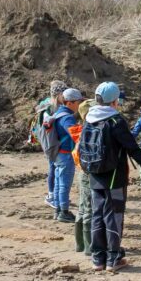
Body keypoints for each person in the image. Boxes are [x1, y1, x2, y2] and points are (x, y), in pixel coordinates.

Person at [84, 82, 141, 272]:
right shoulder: (116, 121)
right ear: (114, 101)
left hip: (93, 174)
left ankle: (97, 259)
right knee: (113, 216)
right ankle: (113, 259)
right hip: (114, 177)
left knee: (97, 214)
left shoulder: (89, 118)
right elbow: (133, 148)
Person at [52, 88, 84, 223]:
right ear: (69, 103)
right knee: (64, 184)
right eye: (78, 102)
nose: (79, 105)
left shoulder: (58, 113)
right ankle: (64, 212)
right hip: (65, 155)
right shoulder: (67, 117)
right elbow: (77, 136)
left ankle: (58, 210)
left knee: (59, 183)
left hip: (57, 153)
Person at [34, 80, 67, 209]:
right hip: (50, 144)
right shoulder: (48, 109)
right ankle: (51, 196)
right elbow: (47, 127)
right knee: (53, 167)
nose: (64, 96)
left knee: (55, 167)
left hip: (55, 142)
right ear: (57, 94)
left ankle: (56, 195)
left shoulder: (57, 107)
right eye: (63, 93)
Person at [73, 98, 95, 256]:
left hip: (82, 172)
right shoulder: (89, 131)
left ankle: (80, 244)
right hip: (88, 173)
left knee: (82, 208)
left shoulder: (83, 130)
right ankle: (88, 246)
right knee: (88, 209)